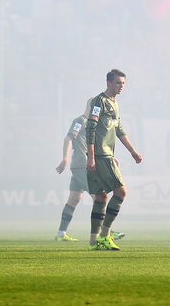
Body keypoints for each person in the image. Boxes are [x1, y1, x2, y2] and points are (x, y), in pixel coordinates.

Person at [85, 69, 142, 250]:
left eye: (123, 83)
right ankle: (104, 236)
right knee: (121, 192)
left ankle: (93, 242)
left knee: (101, 197)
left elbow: (118, 130)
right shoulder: (99, 101)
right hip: (101, 155)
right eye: (118, 83)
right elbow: (91, 128)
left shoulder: (114, 103)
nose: (121, 86)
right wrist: (92, 156)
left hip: (106, 154)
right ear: (109, 82)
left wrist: (132, 151)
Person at [54, 98, 125, 242]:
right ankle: (106, 232)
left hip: (82, 165)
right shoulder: (81, 121)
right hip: (82, 165)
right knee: (100, 196)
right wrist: (65, 158)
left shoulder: (94, 123)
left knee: (74, 198)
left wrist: (111, 157)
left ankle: (61, 233)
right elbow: (68, 139)